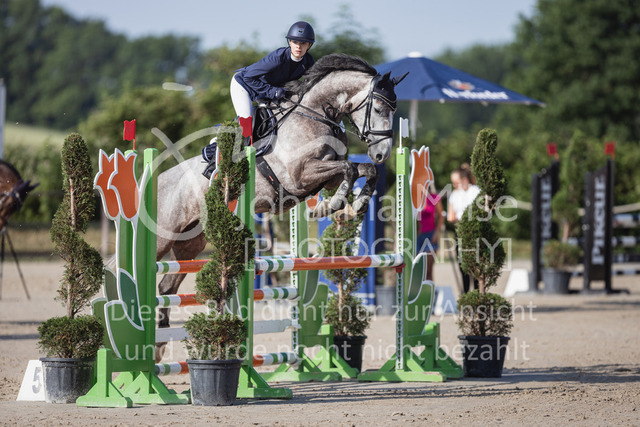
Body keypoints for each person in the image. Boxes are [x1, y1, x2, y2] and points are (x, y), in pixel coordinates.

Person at [230, 21, 316, 119]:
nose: (298, 47)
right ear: (290, 42)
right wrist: (273, 91)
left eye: (303, 43)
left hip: (265, 92)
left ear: (309, 45)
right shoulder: (277, 58)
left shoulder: (308, 61)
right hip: (244, 84)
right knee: (246, 121)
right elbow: (248, 77)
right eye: (295, 42)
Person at [447, 163, 480, 293]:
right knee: (463, 266)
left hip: (474, 232)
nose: (454, 185)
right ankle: (466, 294)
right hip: (460, 231)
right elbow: (450, 216)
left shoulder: (475, 191)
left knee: (475, 266)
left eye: (456, 182)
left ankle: (477, 294)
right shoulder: (455, 194)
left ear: (464, 180)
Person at [417, 183, 444, 282]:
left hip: (430, 234)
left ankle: (430, 289)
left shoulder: (434, 198)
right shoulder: (414, 199)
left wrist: (436, 233)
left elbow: (441, 216)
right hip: (417, 236)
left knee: (428, 270)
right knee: (418, 270)